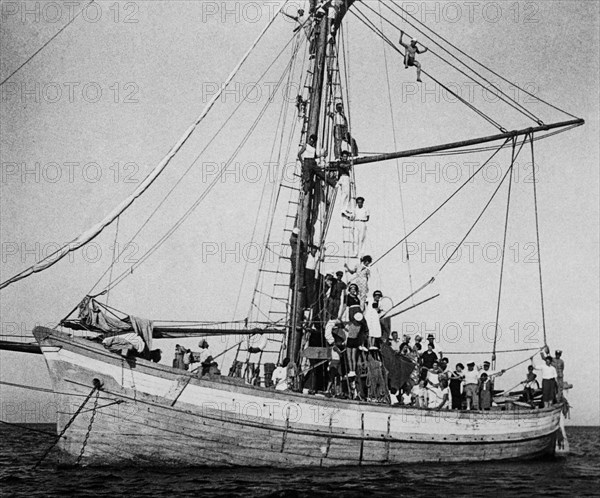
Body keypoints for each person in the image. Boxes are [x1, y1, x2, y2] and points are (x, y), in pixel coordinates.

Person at [336, 151, 352, 217]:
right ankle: (342, 209)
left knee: (348, 194)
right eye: (344, 156)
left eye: (346, 157)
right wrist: (349, 164)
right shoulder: (340, 162)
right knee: (344, 194)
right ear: (342, 157)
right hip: (343, 177)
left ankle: (346, 208)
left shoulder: (346, 162)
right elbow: (343, 166)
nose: (345, 158)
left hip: (347, 178)